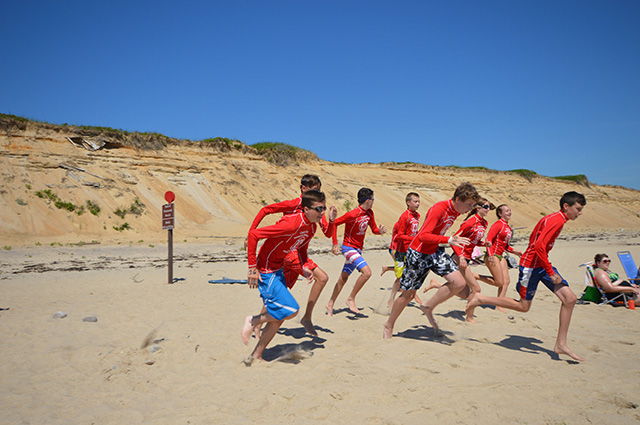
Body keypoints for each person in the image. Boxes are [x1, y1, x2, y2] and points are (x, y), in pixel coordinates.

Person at [466, 191, 588, 362]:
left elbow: (536, 242)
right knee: (523, 306)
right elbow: (538, 246)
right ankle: (481, 299)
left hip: (542, 264)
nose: (580, 213)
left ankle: (561, 344)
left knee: (570, 299)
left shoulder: (558, 219)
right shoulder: (556, 219)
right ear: (566, 206)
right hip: (531, 266)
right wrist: (550, 271)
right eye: (578, 209)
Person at [241, 190, 336, 365]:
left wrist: (303, 268)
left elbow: (301, 249)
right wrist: (252, 267)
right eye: (318, 209)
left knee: (279, 318)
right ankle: (253, 320)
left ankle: (257, 355)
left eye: (323, 208)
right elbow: (254, 235)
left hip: (279, 268)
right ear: (306, 209)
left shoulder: (311, 227)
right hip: (266, 269)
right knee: (291, 309)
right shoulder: (292, 223)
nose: (322, 213)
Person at [383, 182, 480, 338]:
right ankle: (389, 325)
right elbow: (423, 235)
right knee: (408, 295)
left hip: (435, 250)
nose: (470, 209)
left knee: (459, 283)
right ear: (457, 199)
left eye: (472, 205)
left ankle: (428, 306)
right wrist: (449, 239)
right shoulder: (439, 209)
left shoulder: (456, 211)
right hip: (419, 252)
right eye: (468, 204)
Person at [326, 188, 387, 316]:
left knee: (343, 278)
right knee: (367, 272)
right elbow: (335, 224)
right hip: (348, 248)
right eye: (373, 199)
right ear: (368, 200)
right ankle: (351, 299)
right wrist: (335, 243)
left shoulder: (370, 213)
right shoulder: (353, 214)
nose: (374, 202)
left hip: (358, 250)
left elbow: (374, 229)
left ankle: (330, 304)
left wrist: (379, 232)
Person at [450, 197, 494, 322]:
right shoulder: (470, 222)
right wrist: (461, 257)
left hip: (467, 258)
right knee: (476, 289)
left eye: (489, 207)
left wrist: (483, 244)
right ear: (477, 207)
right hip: (460, 258)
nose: (488, 209)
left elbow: (473, 241)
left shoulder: (484, 223)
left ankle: (436, 285)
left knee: (464, 293)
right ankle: (469, 317)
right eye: (485, 207)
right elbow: (454, 240)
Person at [386, 192, 433, 307]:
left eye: (418, 202)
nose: (417, 204)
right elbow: (399, 236)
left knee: (418, 272)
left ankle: (412, 294)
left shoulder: (417, 216)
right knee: (400, 277)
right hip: (402, 251)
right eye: (415, 202)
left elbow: (414, 231)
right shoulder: (404, 216)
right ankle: (391, 299)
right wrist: (413, 238)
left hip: (412, 250)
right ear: (408, 203)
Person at [476, 204, 523, 310]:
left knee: (506, 281)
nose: (509, 212)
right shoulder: (498, 224)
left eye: (510, 210)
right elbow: (488, 239)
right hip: (493, 255)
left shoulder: (507, 227)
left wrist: (515, 251)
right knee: (499, 282)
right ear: (500, 213)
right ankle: (475, 276)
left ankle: (499, 305)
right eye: (506, 211)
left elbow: (505, 245)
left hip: (500, 256)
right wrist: (491, 255)